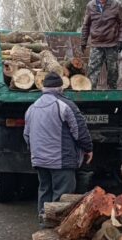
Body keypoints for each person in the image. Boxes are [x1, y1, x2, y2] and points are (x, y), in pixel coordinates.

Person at [23, 72, 93, 224]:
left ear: (43, 87)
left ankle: (44, 227)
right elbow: (80, 131)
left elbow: (27, 136)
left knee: (45, 192)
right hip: (61, 161)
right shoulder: (66, 105)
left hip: (40, 161)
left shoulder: (32, 108)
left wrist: (37, 152)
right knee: (62, 197)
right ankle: (57, 231)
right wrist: (88, 148)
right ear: (61, 88)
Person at [81, 0, 122, 89]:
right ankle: (90, 96)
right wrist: (83, 41)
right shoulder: (90, 6)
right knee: (92, 72)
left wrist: (121, 40)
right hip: (96, 45)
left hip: (112, 45)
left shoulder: (116, 5)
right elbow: (86, 25)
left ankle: (113, 94)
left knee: (113, 72)